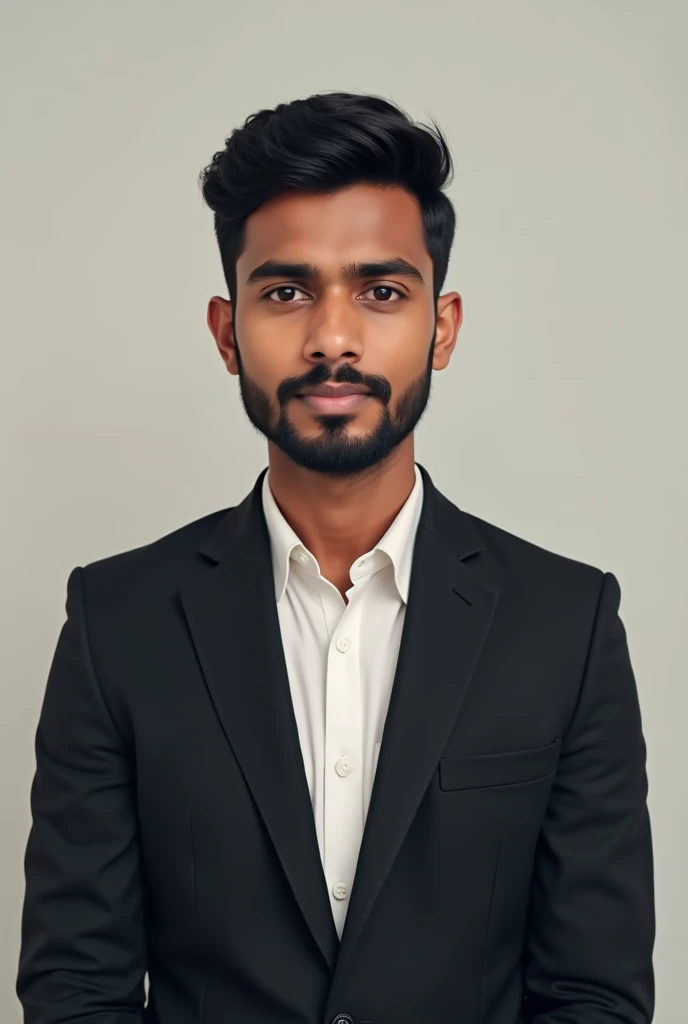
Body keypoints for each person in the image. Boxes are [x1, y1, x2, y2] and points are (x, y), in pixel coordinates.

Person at [16, 91, 655, 1024]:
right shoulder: (118, 621)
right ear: (228, 331)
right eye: (286, 291)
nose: (333, 338)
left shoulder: (567, 623)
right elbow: (77, 985)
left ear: (442, 325)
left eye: (381, 291)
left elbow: (594, 993)